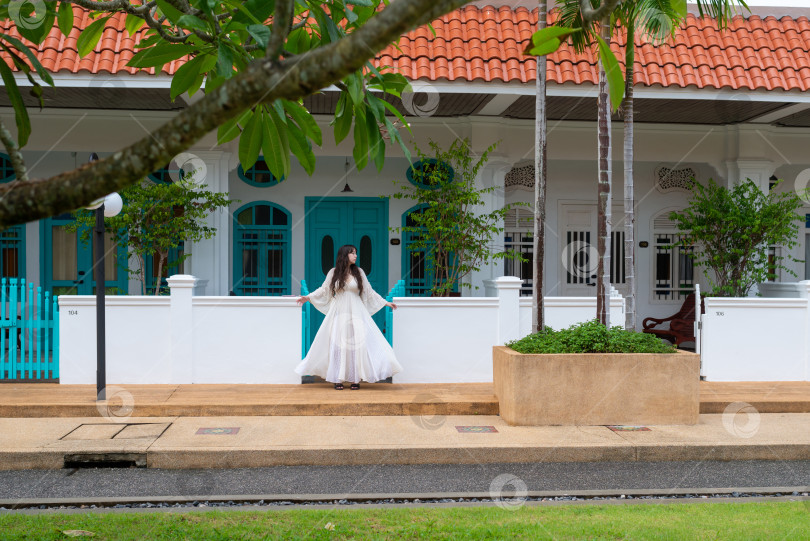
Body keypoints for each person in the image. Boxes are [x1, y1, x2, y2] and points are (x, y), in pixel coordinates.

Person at [296, 245, 403, 390]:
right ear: (344, 255)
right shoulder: (333, 272)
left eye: (356, 253)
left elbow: (369, 291)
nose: (355, 256)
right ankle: (337, 378)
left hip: (356, 311)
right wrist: (308, 297)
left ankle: (354, 379)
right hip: (339, 311)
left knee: (356, 343)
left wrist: (385, 303)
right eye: (352, 253)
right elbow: (324, 289)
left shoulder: (359, 272)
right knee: (338, 343)